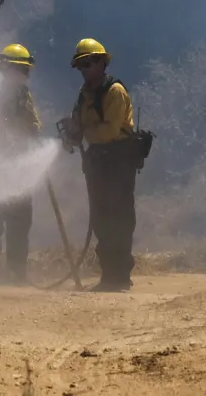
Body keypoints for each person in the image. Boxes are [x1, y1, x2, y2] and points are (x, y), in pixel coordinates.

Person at [63, 38, 139, 292]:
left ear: (102, 63)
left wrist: (83, 131)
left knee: (119, 217)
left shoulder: (114, 91)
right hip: (98, 162)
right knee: (101, 218)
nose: (85, 70)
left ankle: (119, 276)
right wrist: (71, 136)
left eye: (89, 63)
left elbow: (109, 131)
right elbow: (78, 123)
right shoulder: (84, 94)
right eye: (81, 66)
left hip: (118, 159)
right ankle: (109, 275)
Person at [0, 43, 42, 285]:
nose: (25, 75)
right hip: (9, 168)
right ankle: (7, 272)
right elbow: (32, 126)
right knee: (5, 222)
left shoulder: (9, 94)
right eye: (21, 70)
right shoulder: (16, 96)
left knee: (4, 222)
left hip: (9, 167)